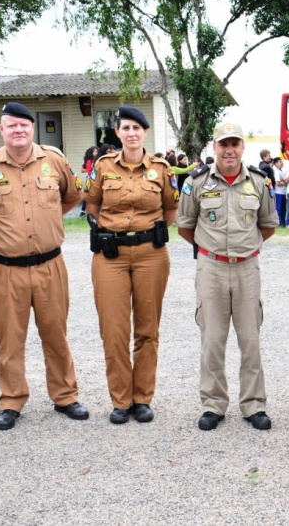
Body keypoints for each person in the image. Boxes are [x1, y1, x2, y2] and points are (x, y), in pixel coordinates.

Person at [0, 102, 88, 431]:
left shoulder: (54, 159)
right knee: (9, 337)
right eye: (12, 125)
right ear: (2, 130)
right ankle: (11, 400)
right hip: (7, 270)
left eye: (24, 125)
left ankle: (65, 395)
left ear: (32, 129)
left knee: (56, 334)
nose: (19, 130)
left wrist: (47, 219)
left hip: (50, 264)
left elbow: (73, 195)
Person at [177, 121, 278, 431]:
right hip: (212, 268)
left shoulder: (259, 182)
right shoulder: (197, 182)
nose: (230, 149)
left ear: (242, 147)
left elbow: (268, 225)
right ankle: (213, 404)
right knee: (212, 339)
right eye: (224, 144)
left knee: (250, 339)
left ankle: (253, 404)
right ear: (215, 147)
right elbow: (185, 226)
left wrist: (243, 249)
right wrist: (214, 251)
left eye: (235, 143)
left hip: (248, 267)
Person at [83, 106, 178, 425]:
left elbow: (170, 209)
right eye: (126, 128)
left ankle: (142, 399)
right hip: (110, 256)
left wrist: (150, 231)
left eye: (137, 128)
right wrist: (102, 232)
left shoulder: (162, 169)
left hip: (151, 253)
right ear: (118, 133)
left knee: (148, 329)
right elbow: (92, 204)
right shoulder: (103, 166)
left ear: (145, 133)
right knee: (114, 329)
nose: (132, 133)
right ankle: (121, 400)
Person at [272, 157, 288, 226]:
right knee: (279, 208)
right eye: (280, 162)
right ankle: (278, 222)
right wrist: (285, 184)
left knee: (283, 209)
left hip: (283, 192)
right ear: (276, 164)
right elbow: (277, 183)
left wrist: (285, 182)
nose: (282, 163)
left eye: (282, 161)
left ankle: (283, 222)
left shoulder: (283, 171)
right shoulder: (277, 172)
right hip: (278, 193)